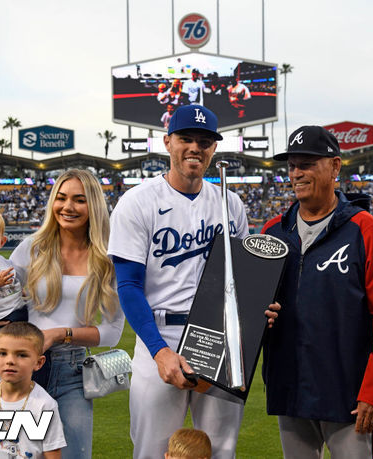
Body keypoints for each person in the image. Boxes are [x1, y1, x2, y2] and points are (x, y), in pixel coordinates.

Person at [108, 104, 278, 459]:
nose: (195, 148)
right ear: (168, 142)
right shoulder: (138, 202)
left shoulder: (231, 204)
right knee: (152, 451)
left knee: (219, 449)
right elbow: (128, 286)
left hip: (220, 337)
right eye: (186, 138)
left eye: (205, 141)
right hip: (160, 334)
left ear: (214, 149)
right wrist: (159, 350)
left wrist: (259, 314)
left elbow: (243, 282)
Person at [261, 126, 373, 458]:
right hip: (289, 388)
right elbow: (253, 308)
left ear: (335, 167)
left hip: (348, 395)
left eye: (308, 164)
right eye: (292, 165)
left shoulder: (365, 230)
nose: (297, 173)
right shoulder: (272, 231)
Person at [0, 169, 124, 458]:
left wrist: (59, 334)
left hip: (73, 371)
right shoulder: (33, 248)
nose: (68, 207)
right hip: (19, 364)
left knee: (73, 455)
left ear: (93, 206)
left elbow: (113, 332)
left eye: (79, 200)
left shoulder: (107, 259)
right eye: (61, 198)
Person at [0, 321, 66, 458]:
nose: (10, 361)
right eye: (3, 353)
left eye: (21, 355)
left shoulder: (44, 405)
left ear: (38, 363)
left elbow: (52, 453)